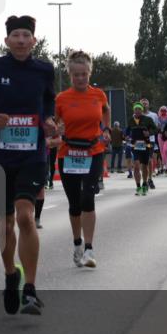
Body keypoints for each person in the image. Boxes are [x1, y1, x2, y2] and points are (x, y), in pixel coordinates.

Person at [0, 15, 56, 315]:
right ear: (7, 41)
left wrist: (48, 121)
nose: (20, 40)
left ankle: (30, 289)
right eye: (15, 35)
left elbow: (49, 103)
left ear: (34, 40)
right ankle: (10, 274)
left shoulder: (45, 69)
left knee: (25, 217)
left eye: (25, 35)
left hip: (33, 155)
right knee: (5, 222)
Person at [55, 51, 110, 268]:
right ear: (70, 75)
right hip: (68, 152)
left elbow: (105, 111)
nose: (80, 78)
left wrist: (105, 129)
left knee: (88, 196)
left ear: (90, 73)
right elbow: (52, 121)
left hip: (93, 150)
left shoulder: (98, 95)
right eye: (76, 75)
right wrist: (55, 128)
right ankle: (77, 243)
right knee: (74, 203)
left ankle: (89, 249)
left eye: (84, 74)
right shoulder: (62, 98)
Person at [126, 103, 157, 196]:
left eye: (139, 109)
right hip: (135, 146)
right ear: (133, 110)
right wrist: (126, 136)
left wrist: (149, 133)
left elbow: (155, 129)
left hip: (146, 145)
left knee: (144, 166)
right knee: (136, 165)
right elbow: (127, 130)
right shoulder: (131, 120)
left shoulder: (148, 119)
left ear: (142, 110)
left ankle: (144, 184)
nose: (137, 111)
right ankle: (138, 186)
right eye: (136, 109)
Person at [139, 98, 160, 188]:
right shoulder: (136, 115)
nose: (144, 104)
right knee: (142, 162)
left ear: (148, 104)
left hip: (150, 140)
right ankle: (144, 180)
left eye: (146, 103)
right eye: (142, 103)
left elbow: (156, 128)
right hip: (139, 141)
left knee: (149, 159)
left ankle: (150, 178)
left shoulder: (154, 115)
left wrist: (150, 133)